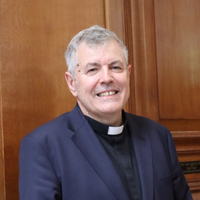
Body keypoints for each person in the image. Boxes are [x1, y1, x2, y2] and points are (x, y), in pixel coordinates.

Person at [19, 25, 193, 200]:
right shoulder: (42, 146)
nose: (107, 78)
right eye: (92, 69)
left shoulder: (158, 135)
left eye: (115, 67)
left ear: (128, 74)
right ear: (72, 83)